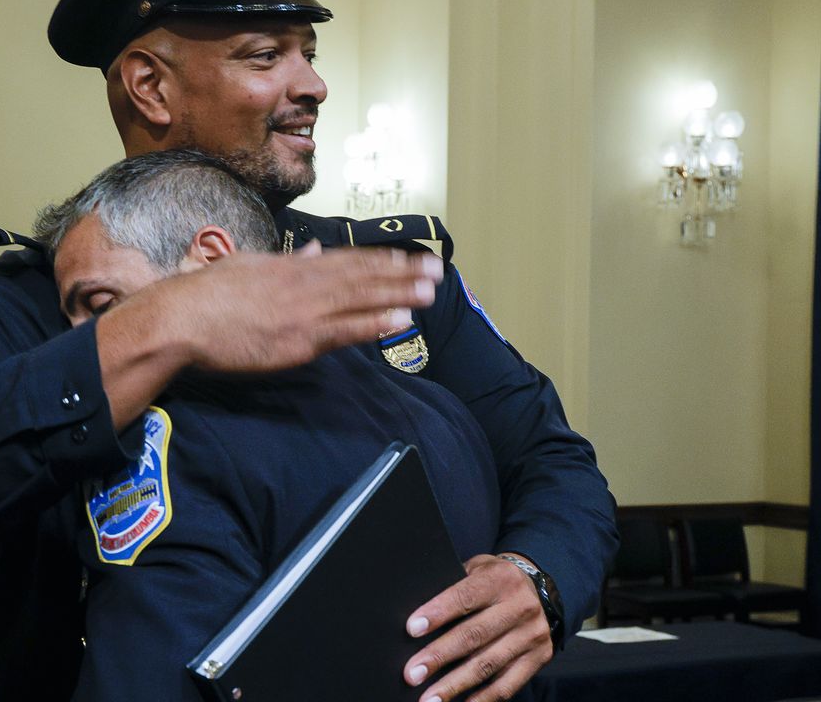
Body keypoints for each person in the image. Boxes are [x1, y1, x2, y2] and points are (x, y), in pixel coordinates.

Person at [0, 0, 616, 700]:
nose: (315, 83)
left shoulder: (381, 273)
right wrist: (155, 326)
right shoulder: (39, 298)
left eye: (309, 50)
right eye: (265, 55)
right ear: (149, 86)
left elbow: (554, 461)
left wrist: (536, 578)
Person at [39, 148, 504, 700]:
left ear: (210, 259)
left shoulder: (170, 436)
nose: (84, 348)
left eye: (99, 304)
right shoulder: (443, 411)